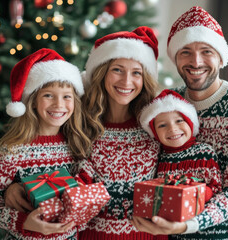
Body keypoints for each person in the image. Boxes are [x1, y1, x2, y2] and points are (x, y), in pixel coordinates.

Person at [131, 6, 228, 240]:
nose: (196, 62)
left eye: (206, 51)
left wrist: (189, 225)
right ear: (175, 57)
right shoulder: (163, 106)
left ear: (220, 57)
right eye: (185, 52)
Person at [0, 48, 90, 240]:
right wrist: (22, 222)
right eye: (48, 95)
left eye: (66, 96)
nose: (59, 104)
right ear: (33, 101)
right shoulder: (13, 149)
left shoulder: (77, 145)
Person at [76, 26, 167, 240]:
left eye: (136, 72)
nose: (127, 81)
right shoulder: (79, 124)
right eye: (117, 69)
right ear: (102, 72)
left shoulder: (156, 126)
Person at [139, 89, 221, 203]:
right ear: (155, 133)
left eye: (179, 121)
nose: (172, 129)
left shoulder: (204, 152)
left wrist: (194, 194)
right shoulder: (157, 156)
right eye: (162, 125)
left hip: (197, 212)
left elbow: (215, 188)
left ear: (190, 123)